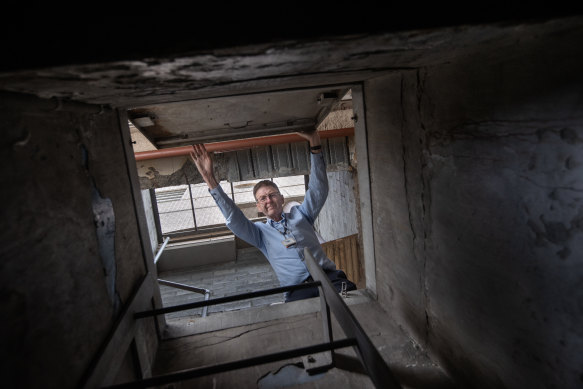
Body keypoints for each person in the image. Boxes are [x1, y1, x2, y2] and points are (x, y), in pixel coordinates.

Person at [189, 129, 356, 302]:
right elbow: (235, 218)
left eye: (272, 195)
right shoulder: (260, 234)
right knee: (304, 324)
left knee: (352, 301)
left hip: (329, 278)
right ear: (259, 207)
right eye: (262, 198)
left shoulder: (301, 214)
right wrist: (210, 179)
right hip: (297, 291)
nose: (268, 200)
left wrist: (315, 145)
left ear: (281, 198)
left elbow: (318, 190)